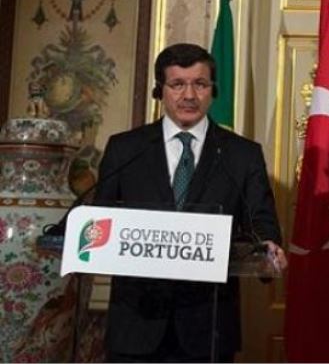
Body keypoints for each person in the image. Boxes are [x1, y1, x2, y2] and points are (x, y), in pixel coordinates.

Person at [94, 43, 287, 362]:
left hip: (209, 326)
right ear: (160, 90)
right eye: (177, 84)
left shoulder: (242, 154)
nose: (189, 95)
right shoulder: (125, 149)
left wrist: (268, 247)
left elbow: (261, 222)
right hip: (135, 324)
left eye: (200, 84)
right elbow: (98, 218)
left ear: (213, 91)